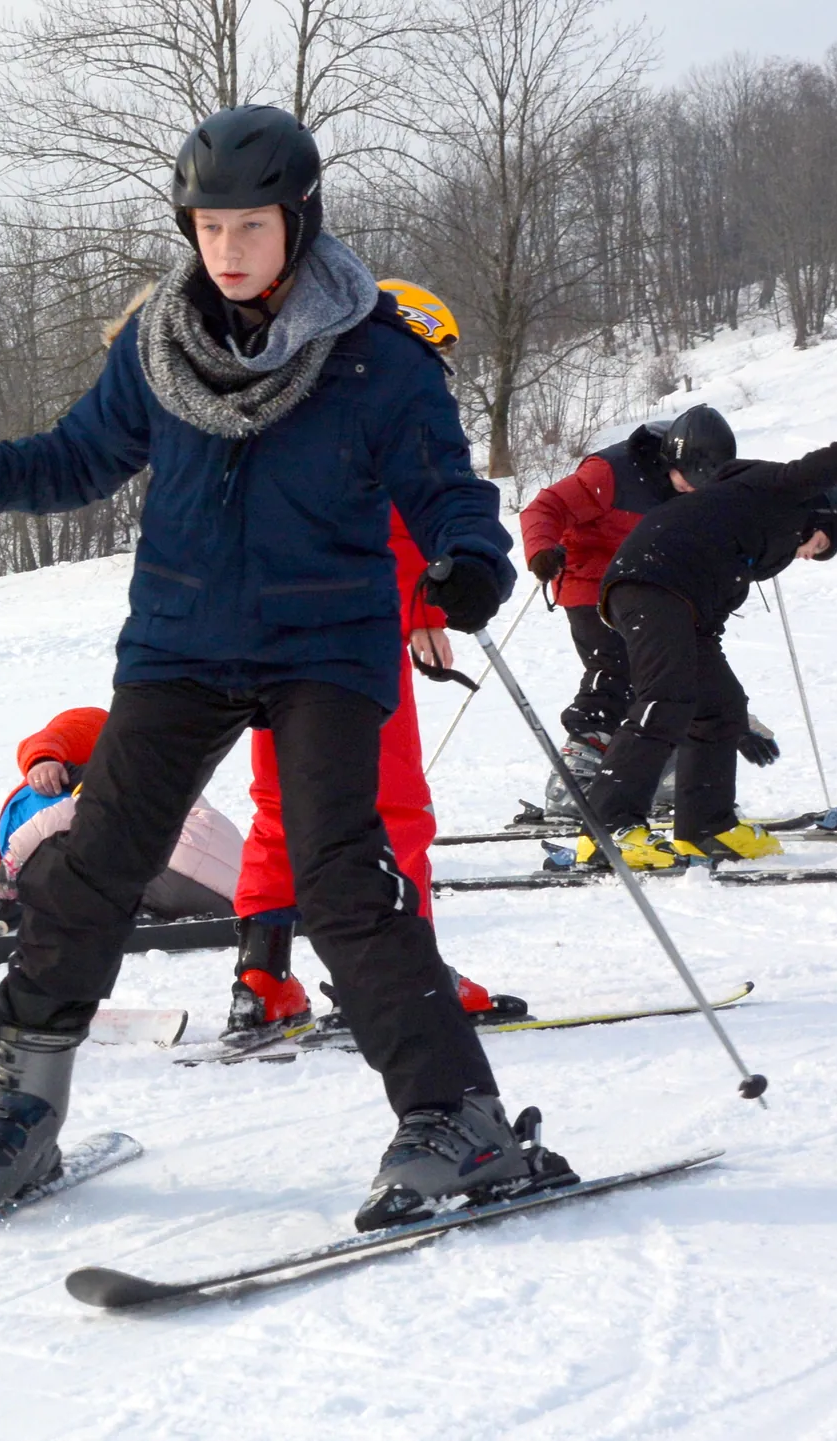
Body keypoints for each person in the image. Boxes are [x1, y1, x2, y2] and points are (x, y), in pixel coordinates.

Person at [0, 105, 567, 1232]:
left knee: (342, 871)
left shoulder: (377, 357)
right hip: (181, 642)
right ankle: (24, 1103)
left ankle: (458, 1118)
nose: (228, 250)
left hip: (324, 646)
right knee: (96, 858)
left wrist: (469, 557)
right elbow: (76, 458)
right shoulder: (157, 345)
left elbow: (445, 484)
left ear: (298, 220)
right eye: (208, 227)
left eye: (250, 225)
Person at [225, 279, 511, 1043]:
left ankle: (262, 978)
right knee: (392, 803)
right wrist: (427, 608)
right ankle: (402, 979)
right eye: (436, 354)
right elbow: (401, 517)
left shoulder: (279, 393)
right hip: (353, 636)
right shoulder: (382, 397)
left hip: (263, 635)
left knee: (282, 804)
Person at [577, 439, 837, 868]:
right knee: (665, 699)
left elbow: (709, 630)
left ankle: (707, 828)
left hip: (677, 598)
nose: (811, 555)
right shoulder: (776, 487)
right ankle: (607, 828)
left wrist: (736, 727)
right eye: (820, 544)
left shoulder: (744, 548)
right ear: (821, 513)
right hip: (651, 581)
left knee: (720, 706)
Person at [519, 405, 732, 813]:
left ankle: (658, 768)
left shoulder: (699, 481)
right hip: (591, 582)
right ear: (671, 459)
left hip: (651, 588)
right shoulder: (611, 473)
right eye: (689, 480)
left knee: (669, 673)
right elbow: (544, 508)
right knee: (616, 667)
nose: (693, 490)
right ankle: (579, 768)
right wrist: (542, 552)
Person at [0, 706, 241, 923]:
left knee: (81, 854)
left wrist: (12, 861)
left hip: (173, 880)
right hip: (229, 895)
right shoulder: (164, 768)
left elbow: (64, 815)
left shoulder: (114, 772)